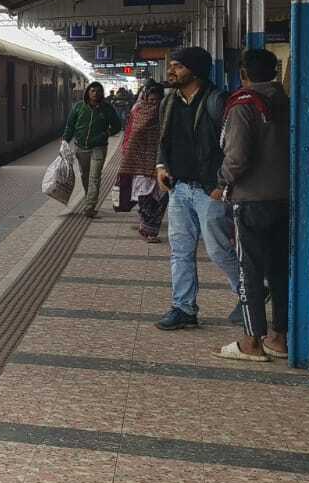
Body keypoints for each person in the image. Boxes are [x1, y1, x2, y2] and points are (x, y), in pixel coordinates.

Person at [154, 46, 242, 330]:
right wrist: (161, 166)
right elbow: (163, 139)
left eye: (178, 66)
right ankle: (183, 308)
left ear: (195, 71)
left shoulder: (218, 102)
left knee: (218, 250)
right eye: (172, 65)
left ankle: (250, 293)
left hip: (209, 190)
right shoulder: (169, 102)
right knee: (180, 251)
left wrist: (221, 184)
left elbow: (234, 146)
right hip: (179, 188)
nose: (171, 70)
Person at [213, 49, 290, 361]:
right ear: (274, 71)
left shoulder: (244, 104)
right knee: (281, 270)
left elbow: (237, 157)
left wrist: (221, 182)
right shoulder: (290, 103)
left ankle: (251, 341)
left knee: (250, 272)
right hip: (286, 199)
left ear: (243, 74)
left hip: (251, 201)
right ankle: (279, 338)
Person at [114, 81, 168, 242]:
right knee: (145, 196)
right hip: (140, 164)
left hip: (161, 164)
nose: (154, 104)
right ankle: (148, 231)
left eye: (157, 100)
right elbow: (132, 136)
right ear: (145, 98)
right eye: (151, 100)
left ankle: (149, 227)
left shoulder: (167, 113)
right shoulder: (138, 111)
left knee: (161, 197)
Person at [62, 81, 122, 218]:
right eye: (92, 90)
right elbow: (70, 125)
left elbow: (117, 126)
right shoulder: (78, 107)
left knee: (94, 177)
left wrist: (105, 134)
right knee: (85, 175)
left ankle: (90, 206)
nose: (95, 93)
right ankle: (89, 197)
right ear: (88, 92)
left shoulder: (107, 109)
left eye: (98, 91)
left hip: (98, 147)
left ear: (102, 93)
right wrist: (65, 140)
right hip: (81, 147)